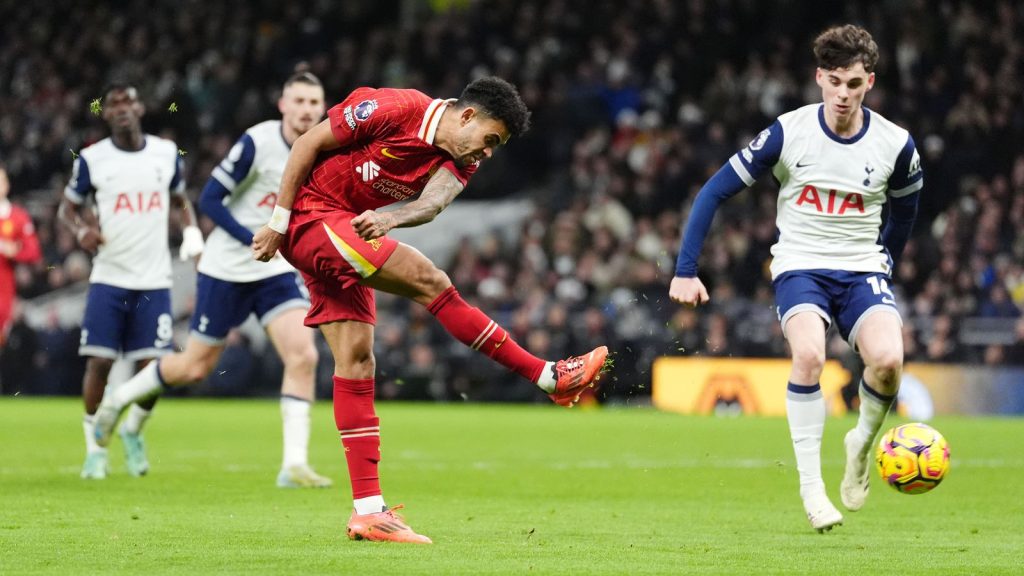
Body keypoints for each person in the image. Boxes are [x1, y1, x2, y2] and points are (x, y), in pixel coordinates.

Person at [221, 76, 602, 543]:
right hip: (314, 216)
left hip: (348, 231)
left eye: (496, 147)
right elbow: (307, 142)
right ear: (467, 116)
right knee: (431, 282)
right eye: (489, 140)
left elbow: (434, 202)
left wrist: (391, 217)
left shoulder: (460, 160)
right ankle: (547, 376)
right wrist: (279, 222)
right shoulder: (396, 108)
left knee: (358, 362)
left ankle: (367, 511)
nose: (487, 153)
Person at [669, 25, 922, 532]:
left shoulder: (895, 145)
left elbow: (905, 214)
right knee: (809, 354)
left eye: (853, 83)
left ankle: (860, 446)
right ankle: (812, 490)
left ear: (869, 82)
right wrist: (685, 269)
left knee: (889, 362)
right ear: (819, 79)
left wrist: (886, 263)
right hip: (800, 265)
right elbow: (713, 191)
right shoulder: (789, 132)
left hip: (861, 269)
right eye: (834, 82)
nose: (843, 94)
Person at [94, 72, 332, 488]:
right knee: (195, 367)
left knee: (304, 355)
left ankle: (293, 465)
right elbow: (209, 199)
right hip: (226, 268)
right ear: (282, 104)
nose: (307, 110)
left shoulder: (326, 148)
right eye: (299, 101)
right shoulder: (257, 142)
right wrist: (254, 238)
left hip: (274, 270)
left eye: (314, 102)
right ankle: (118, 402)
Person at [59, 83, 204, 480]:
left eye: (128, 101)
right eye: (113, 104)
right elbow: (67, 207)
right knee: (100, 362)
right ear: (105, 114)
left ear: (141, 107)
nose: (122, 108)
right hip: (108, 276)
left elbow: (180, 201)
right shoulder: (91, 159)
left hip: (154, 279)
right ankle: (95, 451)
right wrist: (80, 230)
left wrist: (191, 235)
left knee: (152, 369)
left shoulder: (164, 153)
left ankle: (132, 429)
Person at [0, 164, 42, 349]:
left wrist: (13, 251)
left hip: (4, 291)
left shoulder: (17, 217)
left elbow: (33, 251)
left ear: (6, 185)